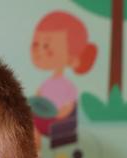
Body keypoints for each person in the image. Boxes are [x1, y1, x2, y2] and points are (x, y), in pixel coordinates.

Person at [30, 11, 97, 149]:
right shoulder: (46, 83)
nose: (38, 51)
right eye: (36, 44)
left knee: (30, 126)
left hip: (58, 121)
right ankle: (35, 155)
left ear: (72, 58)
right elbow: (37, 98)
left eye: (46, 46)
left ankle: (36, 153)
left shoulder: (67, 86)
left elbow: (69, 106)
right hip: (43, 118)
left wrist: (58, 113)